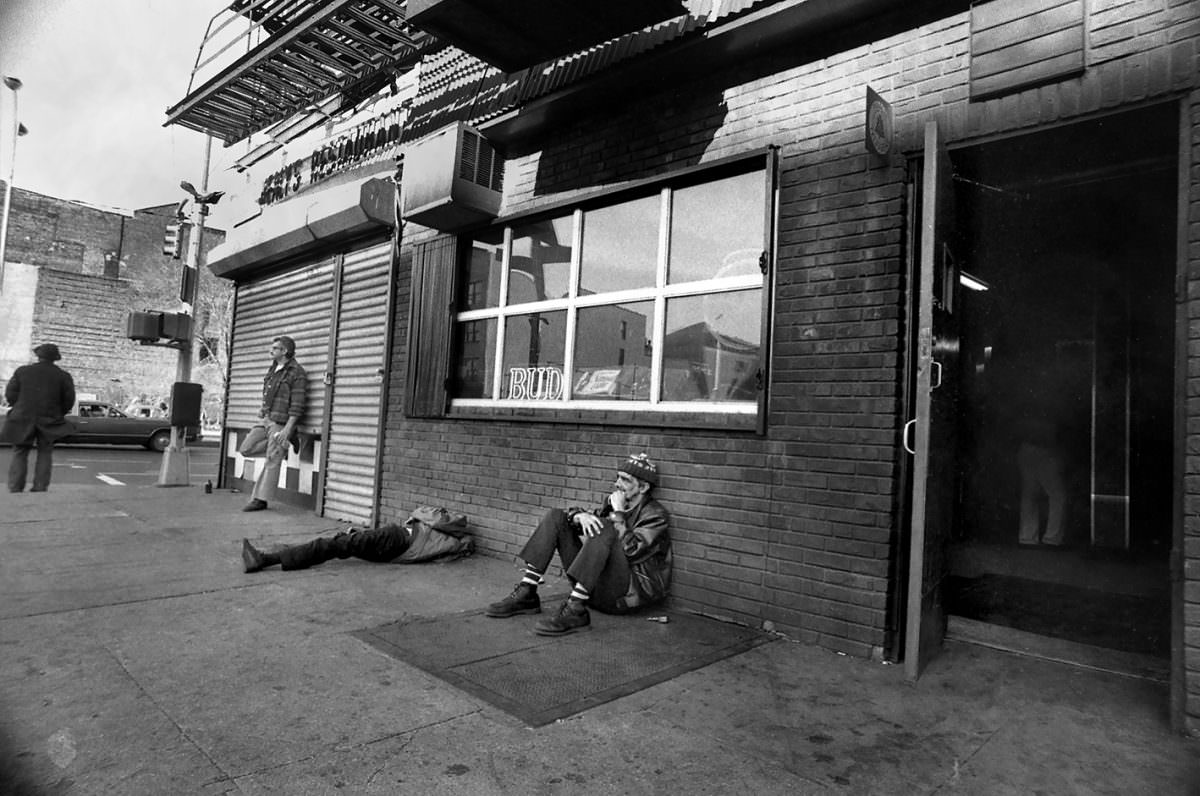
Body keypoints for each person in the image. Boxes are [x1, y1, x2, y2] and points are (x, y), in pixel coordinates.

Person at [486, 453, 672, 636]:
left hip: (624, 597)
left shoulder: (656, 515)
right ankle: (528, 591)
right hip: (593, 591)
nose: (617, 484)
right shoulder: (614, 505)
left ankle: (575, 610)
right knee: (557, 517)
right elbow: (592, 523)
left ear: (643, 487)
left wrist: (617, 513)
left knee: (606, 526)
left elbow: (631, 550)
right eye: (617, 478)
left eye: (625, 480)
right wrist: (578, 516)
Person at [240, 507, 472, 572]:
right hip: (394, 542)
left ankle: (266, 559)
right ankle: (277, 556)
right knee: (340, 541)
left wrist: (424, 516)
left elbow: (421, 512)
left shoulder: (449, 532)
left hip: (396, 539)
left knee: (335, 544)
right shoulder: (448, 539)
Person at [238, 335, 307, 512]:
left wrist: (288, 428)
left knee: (272, 459)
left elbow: (297, 405)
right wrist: (263, 409)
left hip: (281, 422)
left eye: (275, 348)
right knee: (246, 448)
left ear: (284, 351)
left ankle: (260, 500)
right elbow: (269, 394)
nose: (271, 350)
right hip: (267, 420)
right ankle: (282, 445)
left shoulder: (297, 372)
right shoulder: (274, 369)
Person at [2, 344, 76, 493]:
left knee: (20, 451)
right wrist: (59, 412)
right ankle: (40, 487)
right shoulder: (63, 376)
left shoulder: (22, 372)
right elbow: (69, 399)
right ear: (55, 358)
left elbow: (10, 393)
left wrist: (19, 406)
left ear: (38, 356)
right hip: (49, 418)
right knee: (45, 452)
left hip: (22, 416)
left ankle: (15, 487)